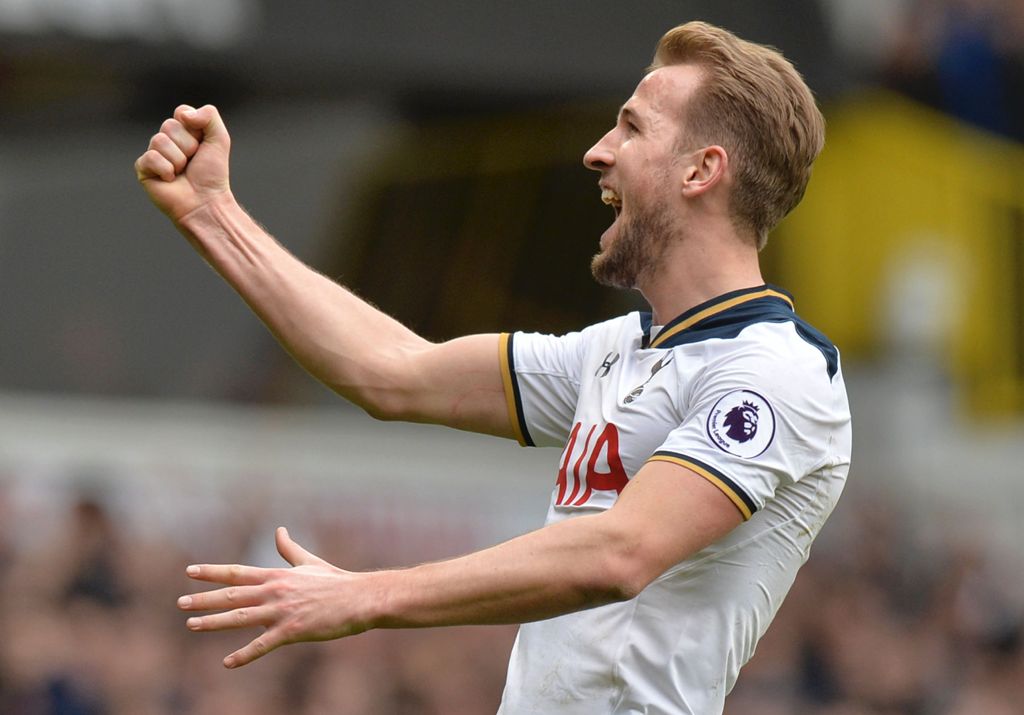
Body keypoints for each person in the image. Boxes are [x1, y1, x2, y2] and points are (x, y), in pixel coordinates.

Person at [135, 20, 851, 715]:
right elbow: (391, 371)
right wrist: (212, 213)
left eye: (632, 127)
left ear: (703, 169)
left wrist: (366, 595)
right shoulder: (613, 351)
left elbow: (619, 553)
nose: (598, 152)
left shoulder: (773, 373)